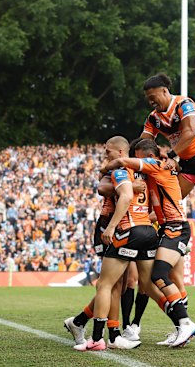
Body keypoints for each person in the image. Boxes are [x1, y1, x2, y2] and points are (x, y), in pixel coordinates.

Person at [103, 138, 195, 347]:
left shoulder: (157, 166)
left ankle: (185, 323)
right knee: (159, 278)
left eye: (140, 159)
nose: (139, 164)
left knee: (160, 275)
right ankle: (180, 327)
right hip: (167, 229)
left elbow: (124, 163)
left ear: (150, 157)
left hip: (176, 228)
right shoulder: (155, 174)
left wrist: (108, 165)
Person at [74, 136, 163, 352]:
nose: (105, 157)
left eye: (108, 152)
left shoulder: (136, 172)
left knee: (126, 281)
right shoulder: (117, 171)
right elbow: (102, 188)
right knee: (114, 284)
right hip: (109, 226)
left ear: (122, 153)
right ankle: (110, 334)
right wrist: (128, 186)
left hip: (124, 227)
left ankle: (83, 324)